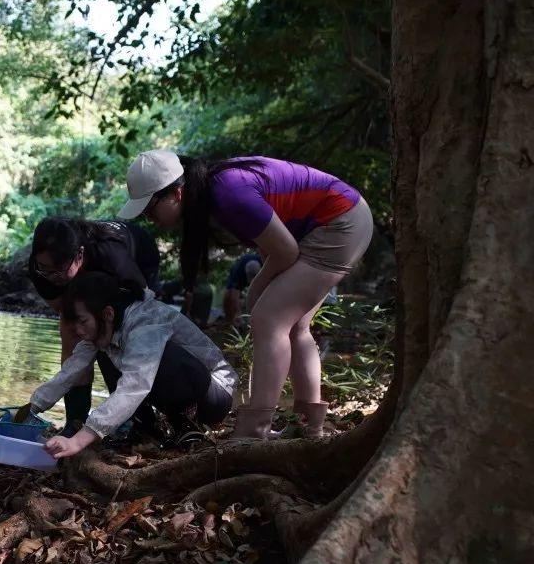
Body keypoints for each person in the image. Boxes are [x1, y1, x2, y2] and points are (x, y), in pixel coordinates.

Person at [117, 150, 373, 439]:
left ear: (176, 193)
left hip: (339, 221)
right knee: (295, 326)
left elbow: (286, 251)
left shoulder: (228, 194)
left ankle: (254, 431)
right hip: (341, 218)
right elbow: (272, 241)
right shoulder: (214, 194)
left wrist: (257, 289)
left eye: (150, 209)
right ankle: (307, 426)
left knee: (270, 318)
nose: (149, 219)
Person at [29, 271, 237, 459]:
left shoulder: (146, 323)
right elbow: (70, 371)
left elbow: (134, 386)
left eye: (83, 322)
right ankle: (146, 429)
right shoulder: (104, 331)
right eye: (76, 324)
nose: (79, 331)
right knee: (104, 351)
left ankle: (188, 427)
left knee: (157, 356)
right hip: (185, 389)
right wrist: (29, 409)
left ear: (107, 313)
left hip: (215, 395)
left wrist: (79, 440)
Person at [28, 217, 161, 435]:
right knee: (76, 332)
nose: (51, 277)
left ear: (79, 256)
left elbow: (142, 304)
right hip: (90, 281)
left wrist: (102, 335)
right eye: (45, 269)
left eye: (58, 271)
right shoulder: (42, 269)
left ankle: (138, 419)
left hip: (137, 262)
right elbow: (71, 321)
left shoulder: (111, 256)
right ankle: (75, 421)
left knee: (112, 337)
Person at [222, 252, 263, 326]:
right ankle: (230, 322)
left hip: (260, 275)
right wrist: (238, 312)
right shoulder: (238, 271)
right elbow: (234, 295)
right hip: (238, 276)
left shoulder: (264, 262)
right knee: (228, 296)